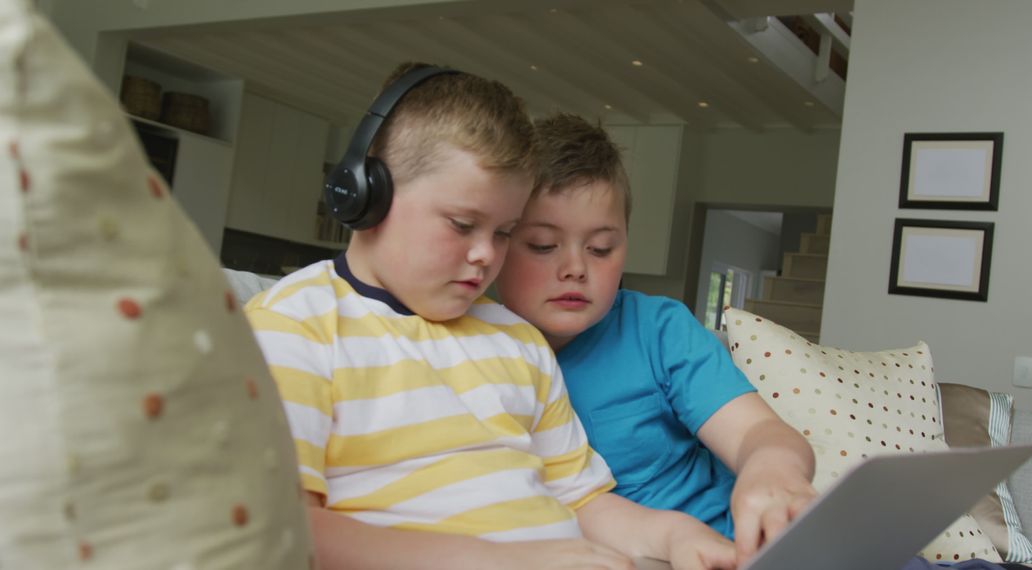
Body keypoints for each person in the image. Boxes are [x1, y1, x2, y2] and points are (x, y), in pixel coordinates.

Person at [246, 64, 735, 570]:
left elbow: (583, 500)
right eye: (463, 224)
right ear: (367, 193)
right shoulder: (295, 327)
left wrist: (674, 536)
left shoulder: (516, 339)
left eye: (504, 232)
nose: (485, 254)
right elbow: (282, 525)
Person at [495, 113, 818, 568]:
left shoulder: (658, 329)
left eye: (601, 248)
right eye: (544, 245)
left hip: (748, 546)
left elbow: (757, 432)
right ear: (497, 239)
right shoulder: (473, 354)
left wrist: (773, 467)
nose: (575, 268)